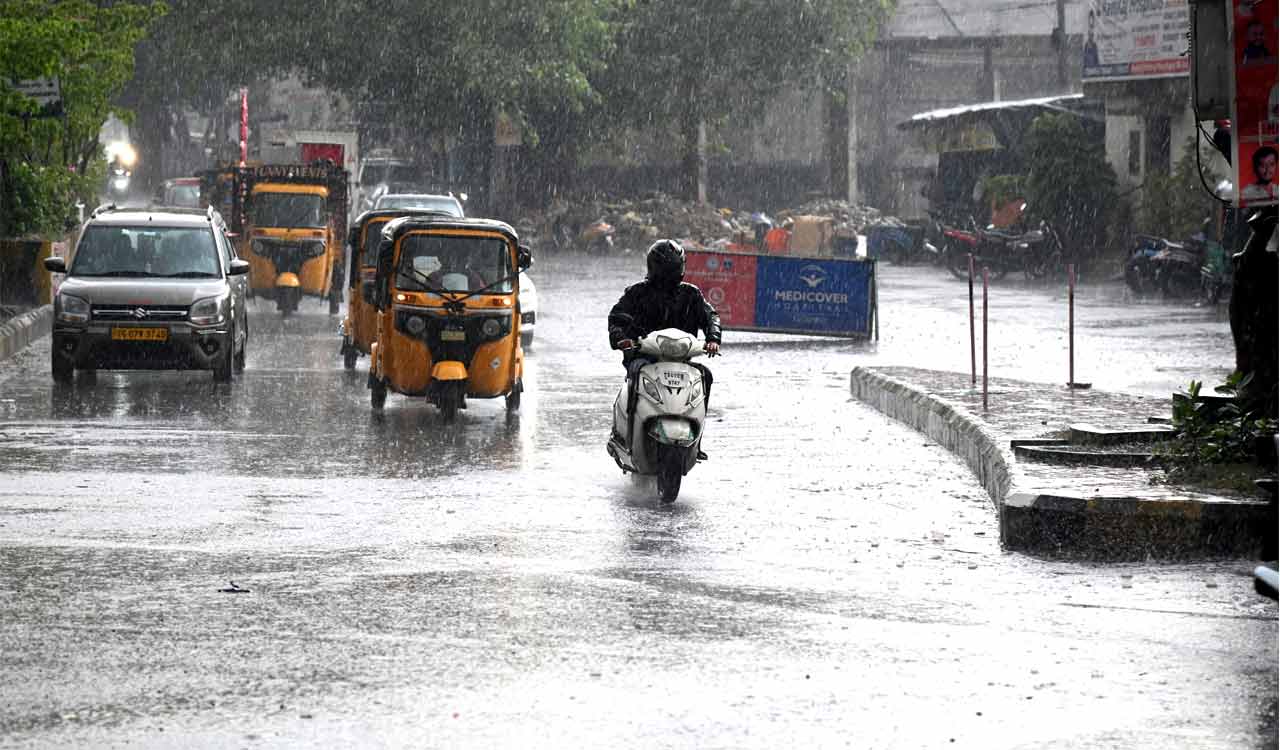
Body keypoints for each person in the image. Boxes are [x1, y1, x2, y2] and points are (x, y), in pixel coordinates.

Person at [608, 239, 722, 446]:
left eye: (675, 267)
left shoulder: (691, 294)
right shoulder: (637, 293)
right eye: (667, 268)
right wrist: (621, 339)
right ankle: (629, 437)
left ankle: (698, 442)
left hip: (682, 361)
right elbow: (616, 319)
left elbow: (711, 316)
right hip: (645, 358)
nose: (670, 273)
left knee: (706, 375)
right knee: (635, 373)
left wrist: (713, 339)